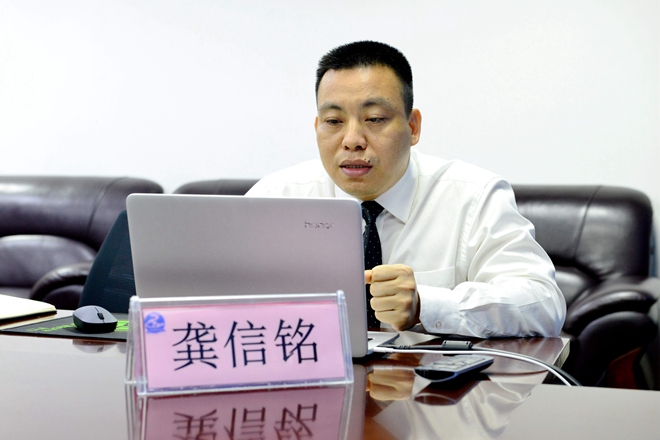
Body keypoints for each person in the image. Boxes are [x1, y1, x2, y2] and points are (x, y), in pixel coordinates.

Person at [246, 41, 566, 338]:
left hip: (428, 379)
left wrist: (426, 304)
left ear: (413, 127)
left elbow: (543, 304)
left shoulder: (473, 197)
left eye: (374, 119)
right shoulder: (274, 199)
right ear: (317, 127)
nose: (352, 140)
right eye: (333, 121)